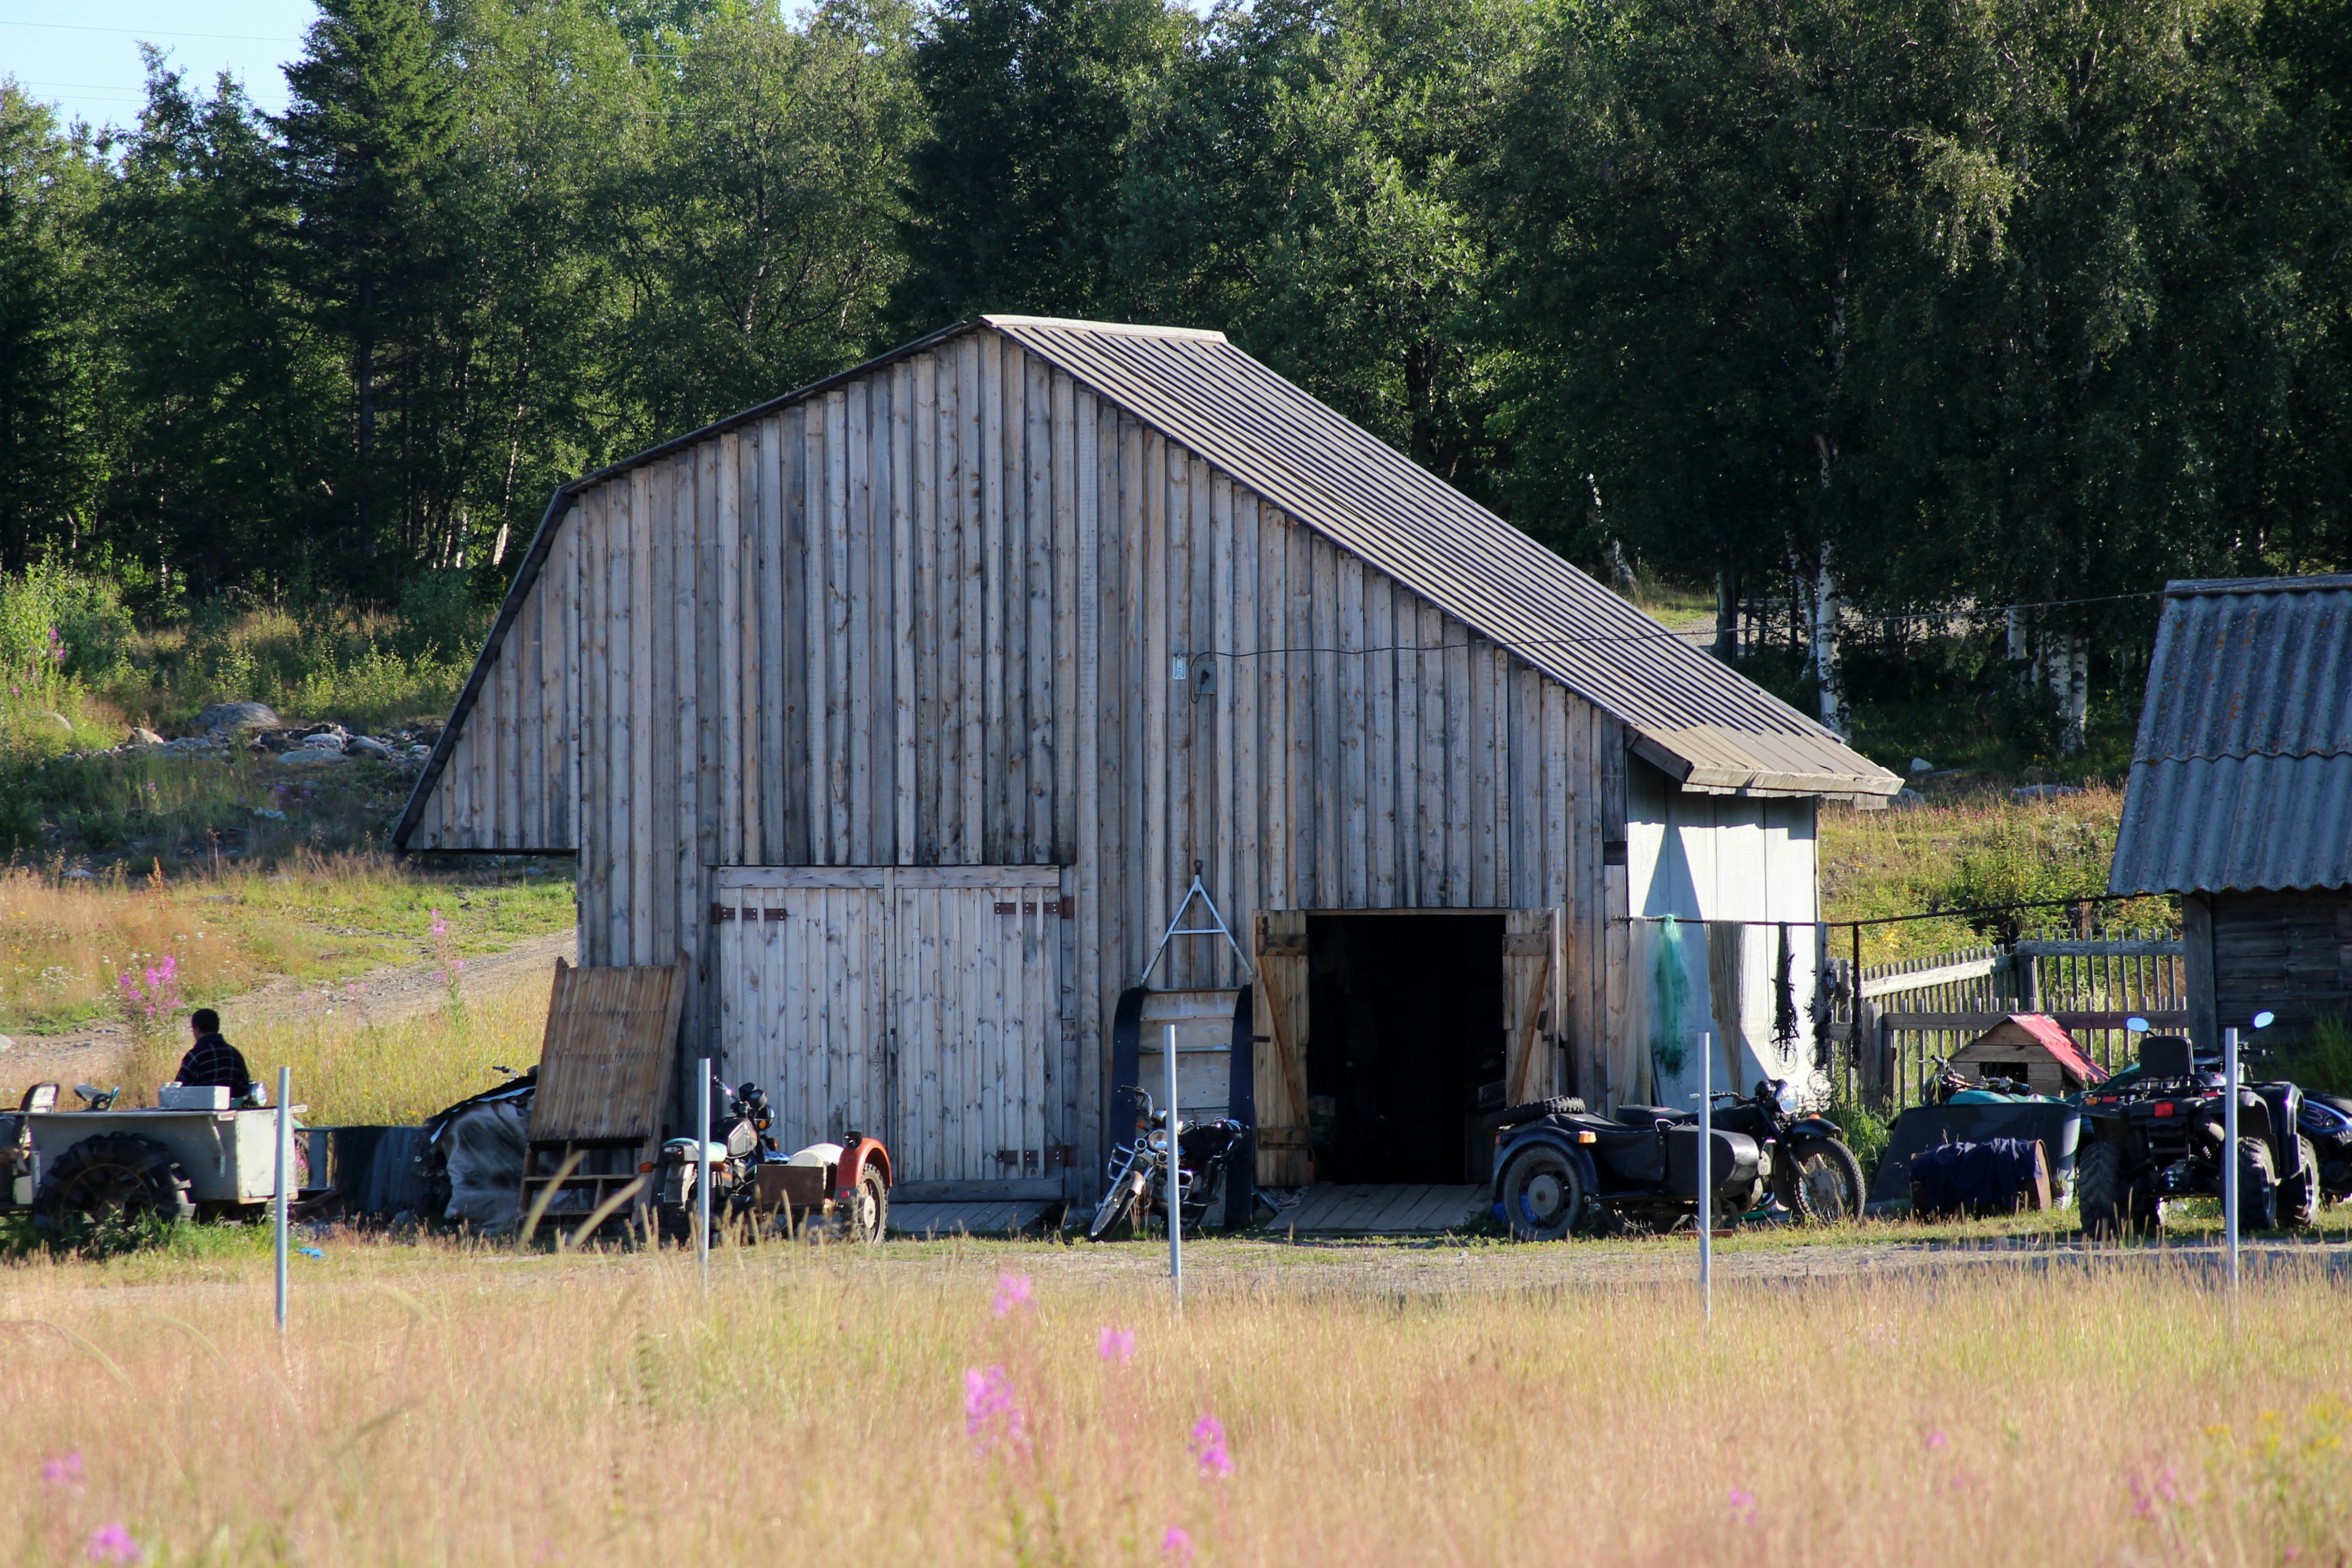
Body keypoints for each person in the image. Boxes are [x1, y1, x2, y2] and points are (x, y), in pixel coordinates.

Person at [175, 1009, 255, 1102]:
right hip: (228, 1108)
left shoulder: (195, 1056)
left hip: (199, 1109)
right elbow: (244, 1088)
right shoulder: (234, 1054)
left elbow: (179, 1091)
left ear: (198, 1029)